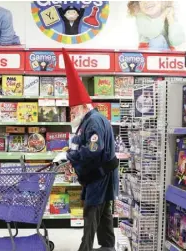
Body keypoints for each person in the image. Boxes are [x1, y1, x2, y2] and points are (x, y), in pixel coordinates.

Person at [53, 48, 119, 251]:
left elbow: (93, 151)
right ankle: (108, 246)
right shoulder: (88, 121)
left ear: (83, 106)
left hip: (100, 175)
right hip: (101, 174)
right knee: (104, 211)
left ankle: (86, 248)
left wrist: (69, 154)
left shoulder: (94, 123)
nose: (71, 113)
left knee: (92, 211)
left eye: (73, 109)